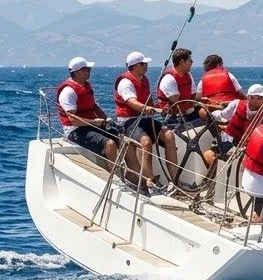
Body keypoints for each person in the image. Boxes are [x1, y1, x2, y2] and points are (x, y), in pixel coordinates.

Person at [56, 56, 140, 175]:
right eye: (86, 69)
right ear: (77, 72)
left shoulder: (85, 86)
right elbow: (73, 120)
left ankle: (135, 177)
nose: (89, 71)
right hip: (75, 130)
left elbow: (93, 106)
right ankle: (115, 176)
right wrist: (95, 122)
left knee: (125, 140)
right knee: (109, 144)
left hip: (91, 126)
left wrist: (106, 119)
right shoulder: (68, 92)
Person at [114, 51, 177, 190]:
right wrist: (146, 108)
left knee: (169, 135)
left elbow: (148, 103)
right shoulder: (125, 83)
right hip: (128, 121)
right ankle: (150, 179)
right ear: (135, 66)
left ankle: (174, 179)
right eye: (143, 64)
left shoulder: (144, 80)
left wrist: (161, 108)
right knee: (146, 142)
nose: (146, 66)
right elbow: (131, 102)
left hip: (144, 119)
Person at [201, 83, 263, 167]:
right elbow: (223, 115)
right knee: (208, 156)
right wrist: (210, 115)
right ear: (250, 98)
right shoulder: (236, 104)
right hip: (227, 141)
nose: (262, 100)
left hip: (246, 148)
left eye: (262, 98)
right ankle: (217, 174)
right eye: (260, 98)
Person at [157, 47, 210, 126]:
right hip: (172, 117)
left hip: (187, 112)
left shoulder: (188, 75)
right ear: (182, 62)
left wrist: (208, 101)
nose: (192, 62)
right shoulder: (169, 79)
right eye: (190, 61)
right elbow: (178, 103)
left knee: (208, 114)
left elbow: (193, 96)